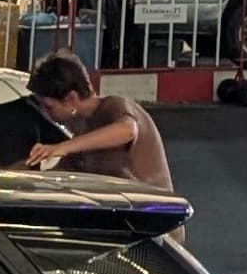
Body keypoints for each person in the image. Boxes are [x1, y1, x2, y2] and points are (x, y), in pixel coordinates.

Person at [20, 54, 174, 189]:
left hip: (150, 213)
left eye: (49, 107)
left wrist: (63, 147)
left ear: (70, 98)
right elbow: (67, 170)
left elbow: (127, 130)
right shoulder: (81, 128)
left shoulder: (114, 106)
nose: (46, 113)